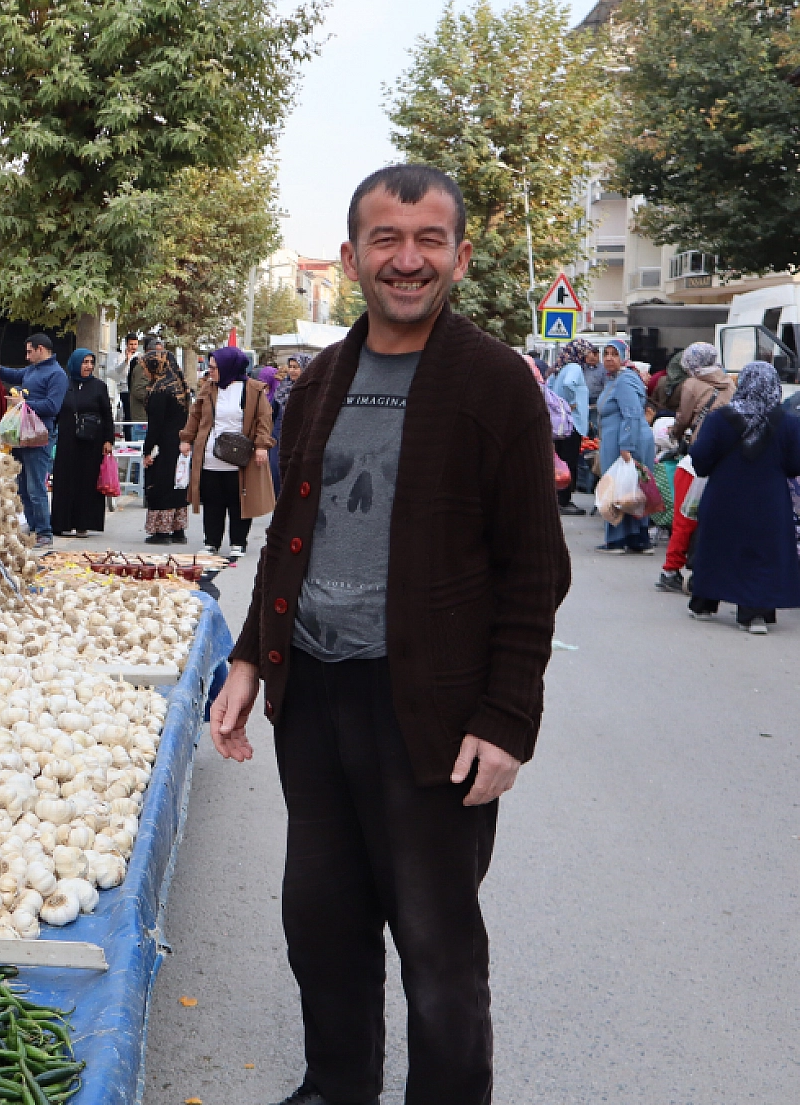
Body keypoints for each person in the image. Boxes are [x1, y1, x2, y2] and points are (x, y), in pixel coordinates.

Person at [208, 165, 571, 1105]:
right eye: (386, 240)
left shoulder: (495, 384)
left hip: (432, 713)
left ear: (460, 256)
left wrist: (506, 718)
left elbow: (536, 571)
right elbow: (291, 538)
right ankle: (337, 1086)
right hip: (314, 699)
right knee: (321, 922)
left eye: (428, 241)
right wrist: (248, 656)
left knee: (436, 942)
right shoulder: (322, 379)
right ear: (351, 257)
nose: (407, 260)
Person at [683, 361, 800, 632]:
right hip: (769, 501)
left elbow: (700, 458)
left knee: (717, 547)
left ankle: (704, 603)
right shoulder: (788, 423)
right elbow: (795, 464)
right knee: (761, 554)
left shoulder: (719, 419)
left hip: (723, 498)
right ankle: (754, 614)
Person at [180, 347, 274, 559]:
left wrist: (261, 445)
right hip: (211, 455)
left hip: (240, 456)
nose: (210, 371)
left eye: (215, 367)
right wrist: (186, 438)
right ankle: (211, 542)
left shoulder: (253, 389)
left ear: (229, 367)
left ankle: (238, 542)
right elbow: (195, 415)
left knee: (239, 500)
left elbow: (264, 419)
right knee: (212, 501)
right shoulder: (208, 388)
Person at [657, 344, 733, 591]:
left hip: (696, 461)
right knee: (713, 521)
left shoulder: (691, 384)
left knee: (685, 519)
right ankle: (703, 571)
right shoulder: (730, 384)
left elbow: (683, 418)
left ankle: (671, 570)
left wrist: (675, 433)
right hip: (723, 462)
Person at [0, 334, 68, 547]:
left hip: (39, 436)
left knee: (35, 488)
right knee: (22, 487)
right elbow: (16, 375)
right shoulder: (32, 370)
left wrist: (25, 403)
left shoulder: (57, 374)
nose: (27, 356)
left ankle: (44, 532)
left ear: (41, 349)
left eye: (29, 351)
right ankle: (32, 529)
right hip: (21, 435)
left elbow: (52, 406)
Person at [595, 339, 657, 555]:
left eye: (614, 354)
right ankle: (635, 538)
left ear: (624, 357)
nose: (609, 358)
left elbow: (631, 414)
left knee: (621, 488)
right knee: (629, 488)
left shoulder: (624, 380)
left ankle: (619, 539)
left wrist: (626, 446)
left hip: (625, 442)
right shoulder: (616, 379)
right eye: (606, 354)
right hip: (622, 440)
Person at [50, 348, 113, 537]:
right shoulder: (64, 385)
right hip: (67, 441)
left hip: (91, 443)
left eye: (91, 362)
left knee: (87, 482)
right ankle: (61, 523)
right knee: (65, 480)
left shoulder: (99, 387)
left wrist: (108, 440)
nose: (89, 366)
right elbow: (55, 411)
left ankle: (83, 524)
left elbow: (107, 415)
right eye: (85, 362)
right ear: (75, 363)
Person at [139, 350, 191, 545]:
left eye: (145, 368)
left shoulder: (159, 390)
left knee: (160, 485)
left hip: (163, 446)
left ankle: (162, 531)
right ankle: (178, 530)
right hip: (179, 444)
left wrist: (147, 450)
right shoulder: (179, 387)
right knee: (177, 484)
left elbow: (155, 425)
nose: (144, 372)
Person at [547, 339, 593, 515]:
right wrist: (571, 402)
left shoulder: (560, 368)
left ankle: (557, 499)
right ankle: (564, 501)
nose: (589, 355)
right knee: (568, 461)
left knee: (560, 461)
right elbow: (568, 384)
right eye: (586, 352)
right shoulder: (574, 368)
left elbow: (549, 387)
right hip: (572, 423)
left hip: (560, 423)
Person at [255, 364, 284, 493]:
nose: (264, 387)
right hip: (269, 438)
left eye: (266, 384)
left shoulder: (279, 395)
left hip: (278, 438)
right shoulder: (261, 396)